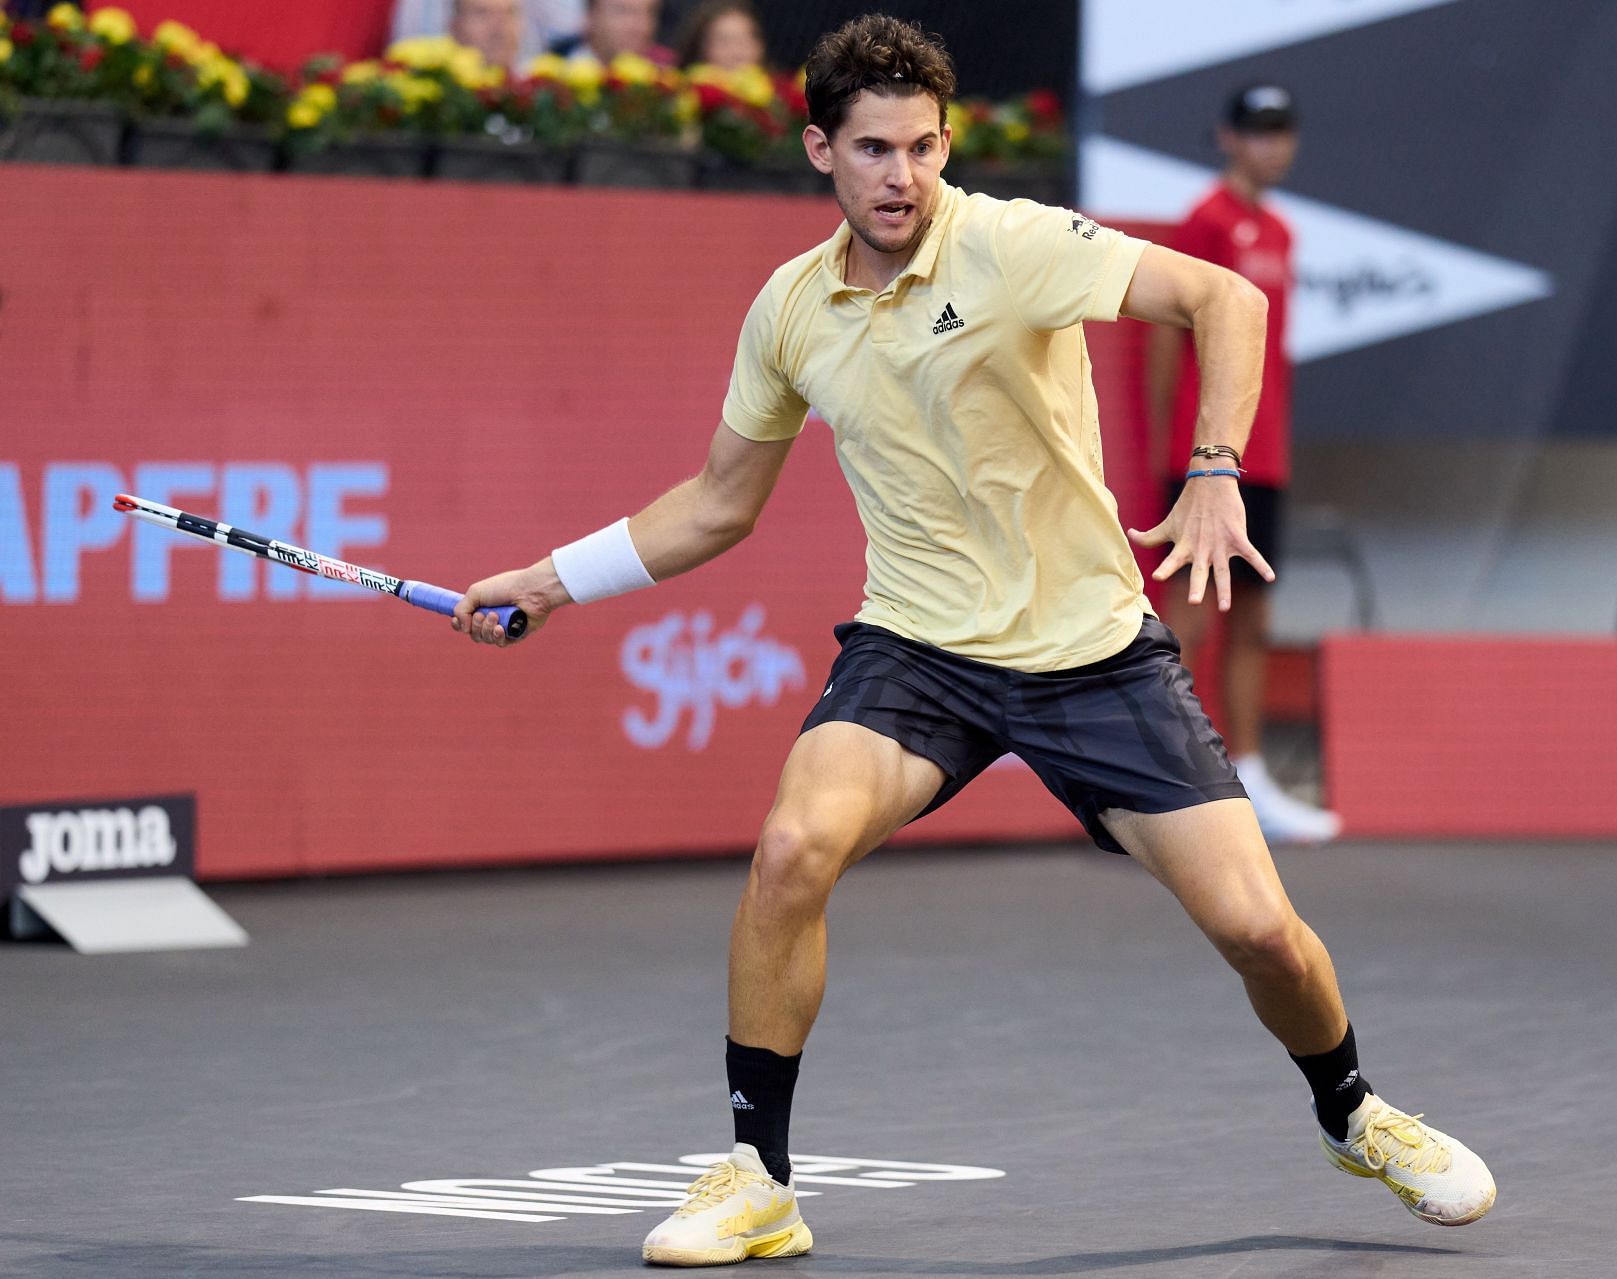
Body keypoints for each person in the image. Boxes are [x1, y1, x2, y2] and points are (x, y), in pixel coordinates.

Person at [453, 14, 1496, 1267]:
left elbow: (1220, 299)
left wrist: (1215, 467)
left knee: (1261, 932)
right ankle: (757, 1178)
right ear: (818, 150)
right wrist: (553, 581)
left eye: (925, 148)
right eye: (876, 149)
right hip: (920, 650)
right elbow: (719, 503)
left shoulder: (1010, 243)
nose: (904, 176)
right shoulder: (790, 309)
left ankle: (1353, 1111)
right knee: (793, 847)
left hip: (1096, 649)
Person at [1145, 84, 1340, 845]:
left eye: (1283, 132)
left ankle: (1248, 776)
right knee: (1188, 620)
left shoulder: (1282, 232)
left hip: (1266, 460)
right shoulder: (1206, 221)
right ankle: (1166, 782)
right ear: (1228, 138)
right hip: (1206, 460)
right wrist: (1179, 448)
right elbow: (1169, 330)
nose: (1273, 146)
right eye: (1259, 133)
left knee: (1254, 618)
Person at [390, 0, 580, 68]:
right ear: (454, 28)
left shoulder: (545, 96)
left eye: (510, 13)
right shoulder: (437, 105)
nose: (498, 28)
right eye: (482, 13)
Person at [550, 0, 676, 67]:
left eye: (650, 12)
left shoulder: (666, 86)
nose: (642, 26)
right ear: (590, 16)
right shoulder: (552, 87)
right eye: (623, 11)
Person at [673, 0, 763, 72]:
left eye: (745, 42)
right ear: (699, 48)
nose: (737, 54)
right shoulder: (676, 91)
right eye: (724, 42)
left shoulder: (773, 92)